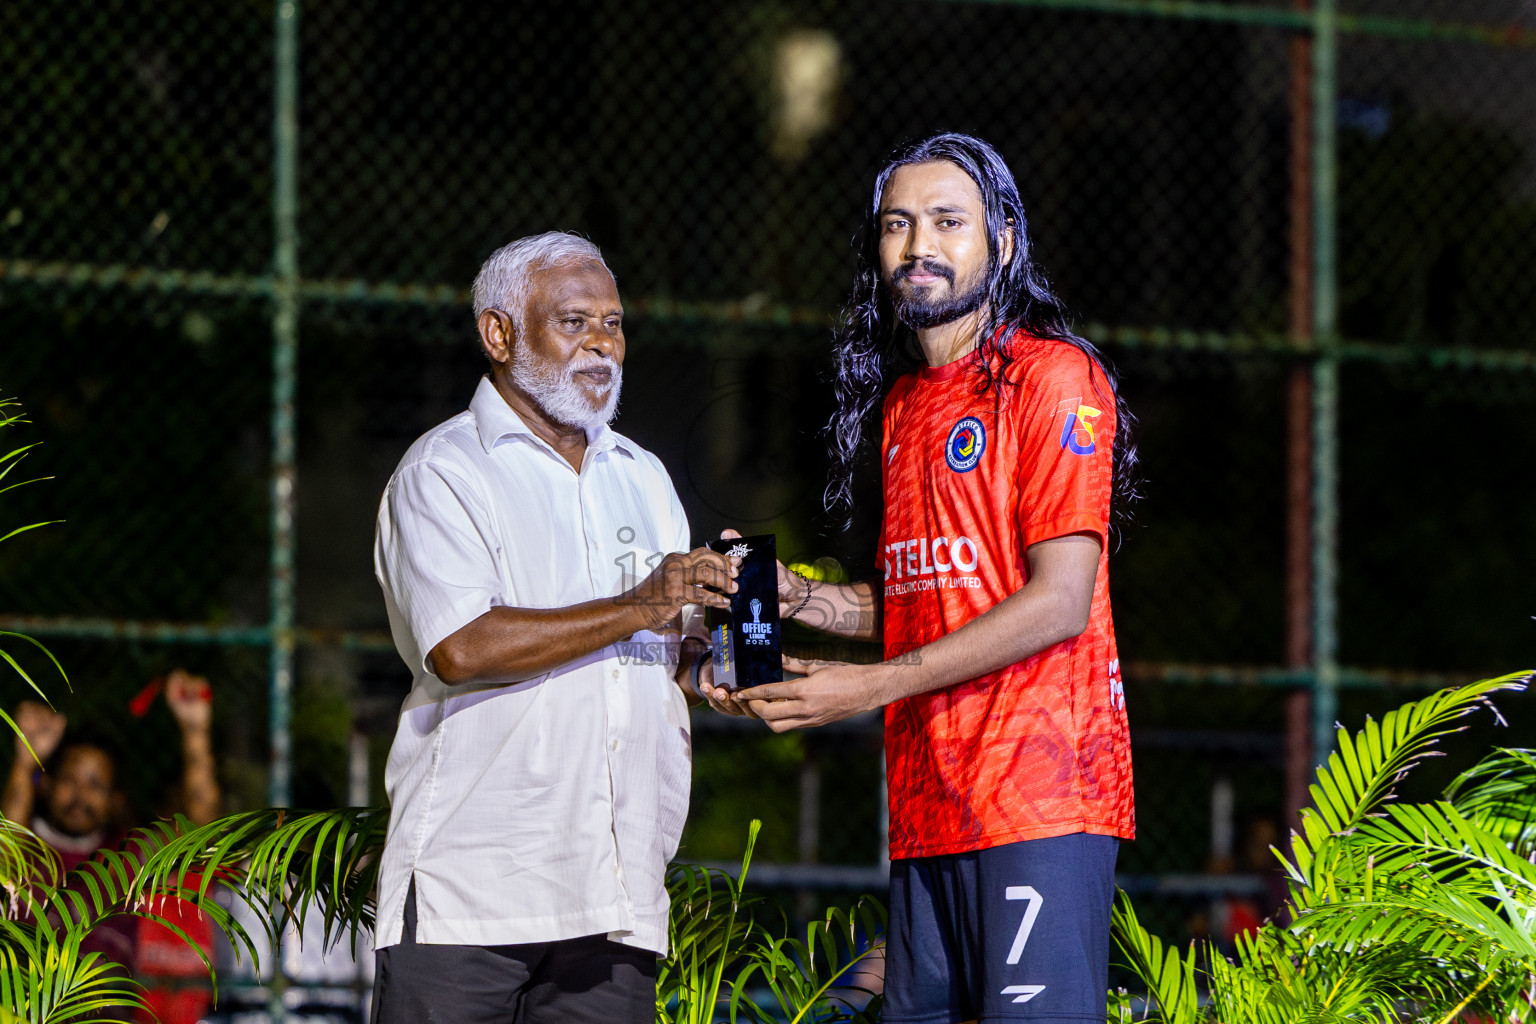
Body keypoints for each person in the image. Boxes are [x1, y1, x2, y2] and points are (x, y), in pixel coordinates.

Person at [708, 133, 1140, 1024]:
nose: (919, 247)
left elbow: (1058, 600)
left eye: (948, 221)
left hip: (1040, 801)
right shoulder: (906, 403)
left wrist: (867, 686)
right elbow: (928, 594)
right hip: (928, 801)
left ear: (1004, 240)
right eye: (898, 225)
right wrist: (803, 601)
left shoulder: (1054, 379)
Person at [370, 231, 735, 1023]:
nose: (602, 345)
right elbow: (461, 647)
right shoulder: (444, 472)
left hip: (615, 891)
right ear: (499, 334)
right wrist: (646, 602)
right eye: (574, 323)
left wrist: (712, 659)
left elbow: (661, 657)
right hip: (473, 895)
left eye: (614, 323)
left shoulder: (643, 476)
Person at [2, 669, 223, 1024]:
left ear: (114, 799)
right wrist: (25, 759)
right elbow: (6, 841)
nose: (81, 796)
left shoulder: (126, 855)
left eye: (96, 785)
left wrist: (195, 732)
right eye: (70, 781)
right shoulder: (27, 849)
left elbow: (201, 831)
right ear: (45, 785)